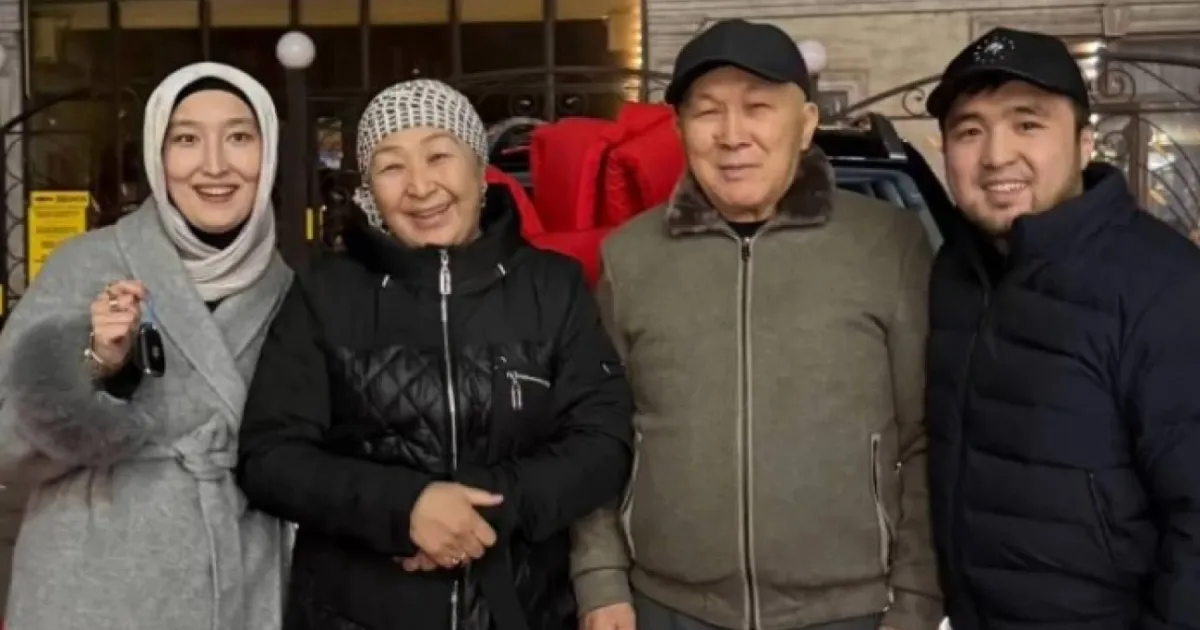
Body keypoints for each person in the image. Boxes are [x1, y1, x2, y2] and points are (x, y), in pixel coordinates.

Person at [571, 18, 942, 630]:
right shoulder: (629, 258)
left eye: (759, 107)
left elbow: (926, 438)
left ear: (805, 125)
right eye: (707, 111)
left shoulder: (889, 245)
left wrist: (917, 606)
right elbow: (597, 431)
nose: (732, 134)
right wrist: (600, 582)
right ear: (681, 129)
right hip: (665, 610)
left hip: (854, 614)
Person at [236, 78, 634, 630]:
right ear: (369, 190)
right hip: (354, 613)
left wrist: (479, 511)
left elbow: (602, 441)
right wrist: (404, 509)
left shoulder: (554, 287)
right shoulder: (326, 295)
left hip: (524, 608)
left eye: (440, 156)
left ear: (479, 167)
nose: (420, 186)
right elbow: (270, 457)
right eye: (391, 166)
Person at [924, 27, 1200, 630]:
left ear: (1082, 142)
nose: (996, 155)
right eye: (970, 130)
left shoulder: (1166, 286)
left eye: (1028, 124)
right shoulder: (953, 273)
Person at [0, 62, 292, 629]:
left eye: (238, 137)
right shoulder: (86, 263)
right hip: (93, 586)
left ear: (269, 154)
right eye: (186, 139)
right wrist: (97, 367)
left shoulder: (290, 293)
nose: (214, 164)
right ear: (158, 158)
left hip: (238, 584)